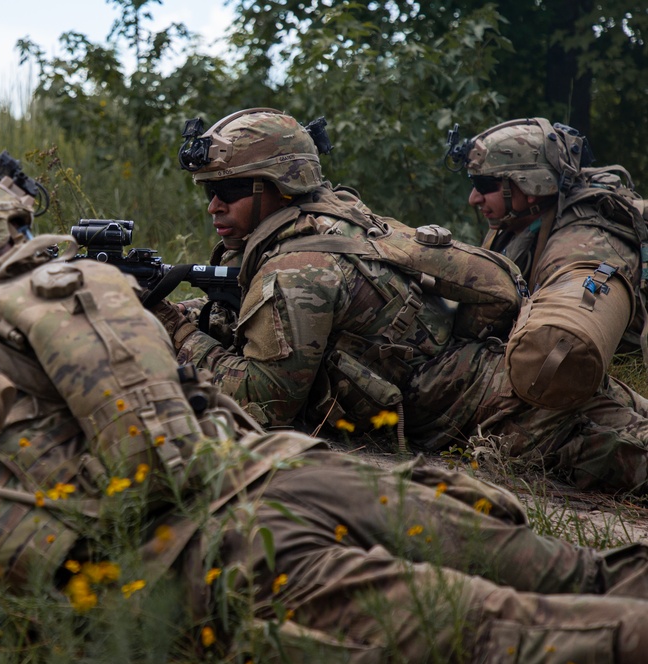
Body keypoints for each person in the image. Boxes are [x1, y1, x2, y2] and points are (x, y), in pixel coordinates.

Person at [0, 178, 648, 664]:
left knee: (531, 642)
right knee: (591, 575)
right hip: (302, 473)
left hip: (230, 557)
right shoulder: (104, 298)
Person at [154, 107, 523, 443]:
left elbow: (263, 405)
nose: (213, 207)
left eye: (228, 190)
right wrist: (176, 307)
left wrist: (174, 328)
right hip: (476, 383)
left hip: (507, 418)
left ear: (280, 185)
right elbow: (245, 311)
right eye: (209, 191)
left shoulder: (297, 269)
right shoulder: (325, 217)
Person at [452, 117, 648, 411]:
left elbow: (564, 350)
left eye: (484, 184)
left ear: (529, 186)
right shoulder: (518, 224)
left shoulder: (577, 250)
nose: (473, 198)